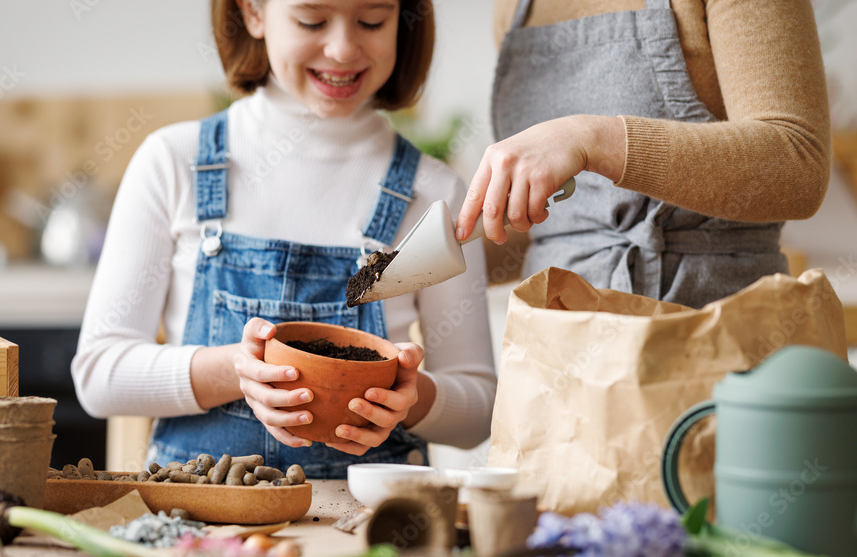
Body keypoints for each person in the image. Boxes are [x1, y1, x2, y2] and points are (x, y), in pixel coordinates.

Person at [71, 0, 497, 478]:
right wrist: (239, 368)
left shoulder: (432, 193)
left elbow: (480, 410)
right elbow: (98, 375)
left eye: (372, 21)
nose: (342, 48)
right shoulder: (174, 162)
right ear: (253, 12)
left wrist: (411, 397)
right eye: (311, 20)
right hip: (200, 525)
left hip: (366, 529)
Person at [455, 0, 831, 308]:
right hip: (556, 350)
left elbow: (798, 162)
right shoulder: (512, 8)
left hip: (714, 336)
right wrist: (434, 256)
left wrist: (594, 140)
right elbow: (567, 227)